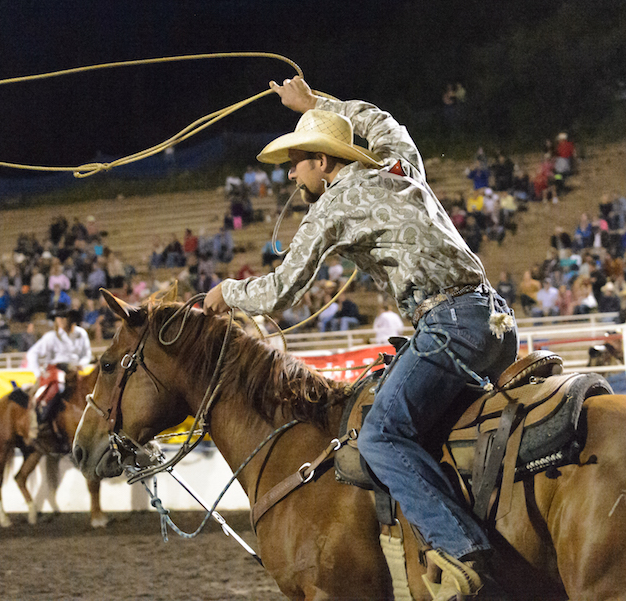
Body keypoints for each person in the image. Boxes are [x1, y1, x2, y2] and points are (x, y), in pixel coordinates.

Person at [204, 76, 517, 600]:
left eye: (297, 160)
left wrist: (226, 292)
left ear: (324, 162)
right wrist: (316, 104)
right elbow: (384, 123)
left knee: (380, 435)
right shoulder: (397, 164)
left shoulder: (334, 202)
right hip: (494, 323)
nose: (290, 172)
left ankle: (463, 552)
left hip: (449, 328)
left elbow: (281, 289)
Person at [24, 305, 93, 446]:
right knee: (57, 388)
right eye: (59, 317)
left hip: (75, 371)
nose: (60, 320)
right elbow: (32, 354)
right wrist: (38, 373)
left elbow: (87, 354)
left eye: (63, 317)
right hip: (56, 371)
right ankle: (42, 423)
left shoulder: (81, 334)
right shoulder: (50, 337)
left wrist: (82, 363)